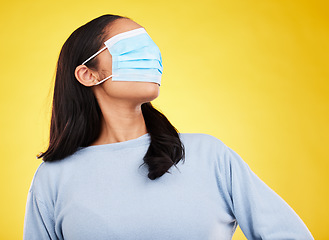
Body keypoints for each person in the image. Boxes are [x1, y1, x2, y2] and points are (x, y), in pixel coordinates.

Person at [23, 14, 314, 240]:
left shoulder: (208, 155)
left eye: (148, 44)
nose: (150, 54)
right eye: (130, 46)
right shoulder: (53, 179)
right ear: (87, 74)